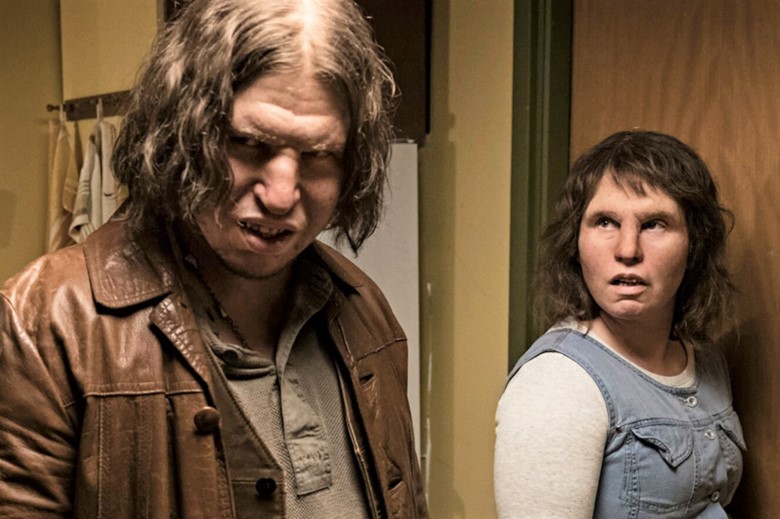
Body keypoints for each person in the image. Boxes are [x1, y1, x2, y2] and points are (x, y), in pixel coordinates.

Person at [0, 0, 427, 517]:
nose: (281, 195)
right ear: (182, 130)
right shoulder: (45, 325)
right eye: (248, 143)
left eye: (318, 155)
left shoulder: (364, 311)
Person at [494, 130, 745, 518]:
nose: (628, 250)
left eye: (654, 224)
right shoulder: (558, 383)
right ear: (575, 242)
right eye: (606, 222)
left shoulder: (707, 361)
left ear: (694, 243)